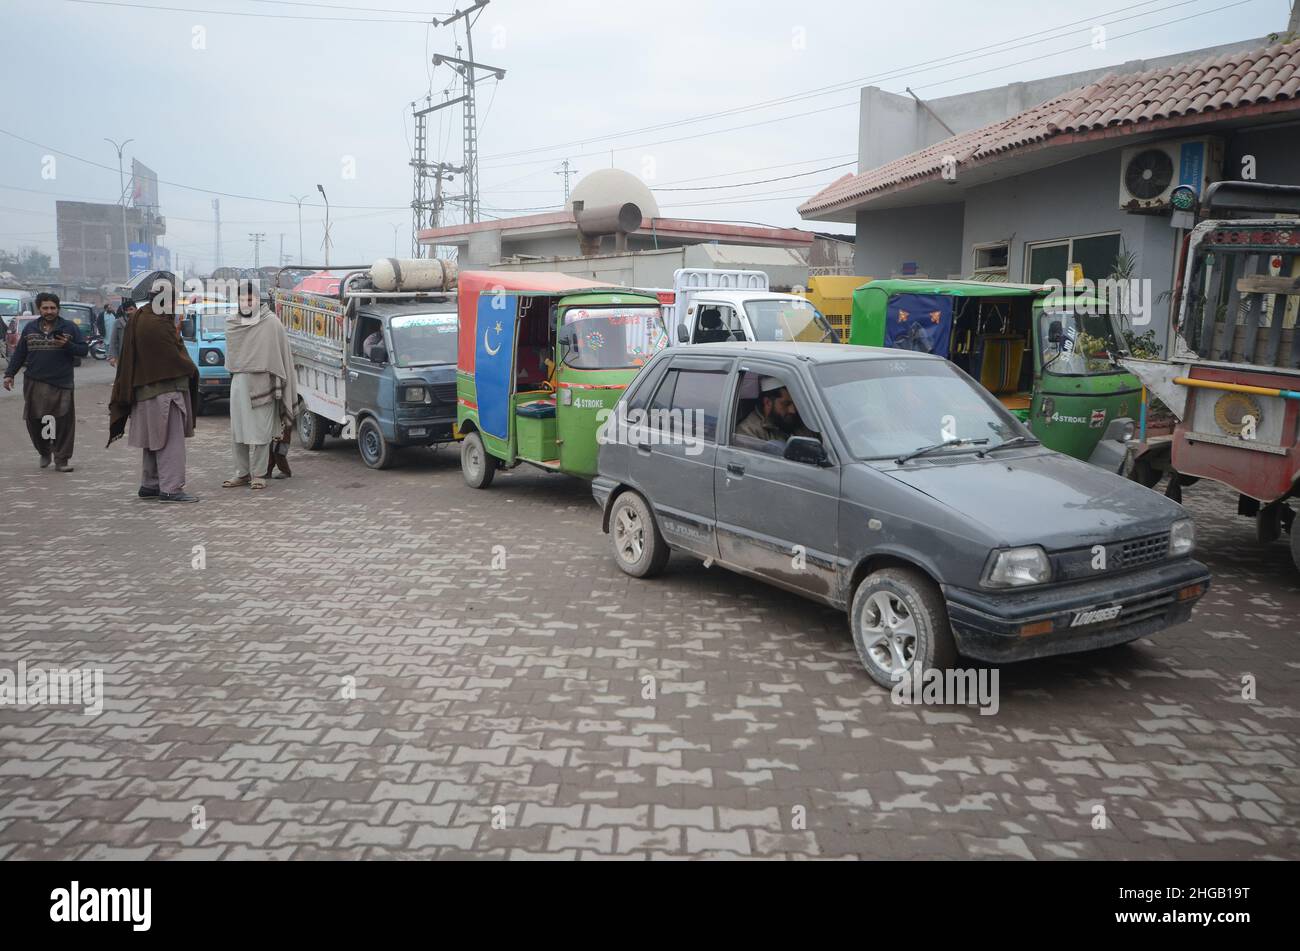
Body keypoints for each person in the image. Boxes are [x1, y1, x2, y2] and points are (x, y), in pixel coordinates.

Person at [108, 279, 201, 503]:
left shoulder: (140, 317)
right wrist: (192, 368)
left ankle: (150, 484)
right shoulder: (157, 323)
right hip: (164, 391)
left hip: (144, 391)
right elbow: (175, 358)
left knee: (154, 440)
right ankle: (171, 488)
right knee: (171, 442)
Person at [224, 283, 297, 491]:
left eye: (250, 299)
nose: (246, 303)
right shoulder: (232, 323)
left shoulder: (271, 323)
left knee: (261, 433)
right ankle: (242, 473)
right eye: (242, 299)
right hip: (239, 383)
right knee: (238, 432)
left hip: (264, 384)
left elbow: (282, 355)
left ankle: (259, 474)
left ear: (258, 300)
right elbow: (232, 359)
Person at [3, 292, 88, 471]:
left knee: (63, 421)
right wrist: (9, 374)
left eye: (53, 308)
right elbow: (20, 354)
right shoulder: (30, 328)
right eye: (45, 308)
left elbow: (83, 350)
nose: (49, 311)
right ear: (39, 308)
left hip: (62, 382)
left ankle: (61, 459)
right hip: (34, 381)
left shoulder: (69, 327)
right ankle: (44, 451)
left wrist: (68, 345)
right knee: (35, 420)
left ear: (58, 309)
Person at [735, 376, 818, 448]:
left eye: (795, 403)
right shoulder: (748, 432)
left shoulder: (802, 422)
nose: (793, 410)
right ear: (768, 402)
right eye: (786, 404)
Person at [108, 300, 137, 366]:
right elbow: (113, 341)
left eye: (131, 309)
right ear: (124, 311)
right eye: (127, 310)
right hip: (123, 356)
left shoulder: (141, 321)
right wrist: (112, 356)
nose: (129, 312)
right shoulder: (118, 322)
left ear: (136, 309)